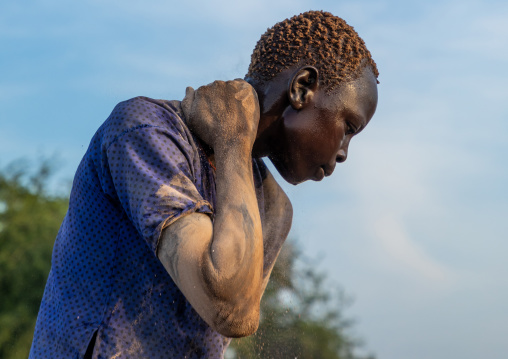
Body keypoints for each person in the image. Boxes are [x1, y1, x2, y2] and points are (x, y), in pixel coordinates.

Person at [29, 10, 379, 359]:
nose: (345, 152)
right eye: (348, 127)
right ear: (302, 87)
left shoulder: (273, 207)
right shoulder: (146, 131)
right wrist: (232, 141)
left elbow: (236, 317)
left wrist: (234, 146)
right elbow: (228, 306)